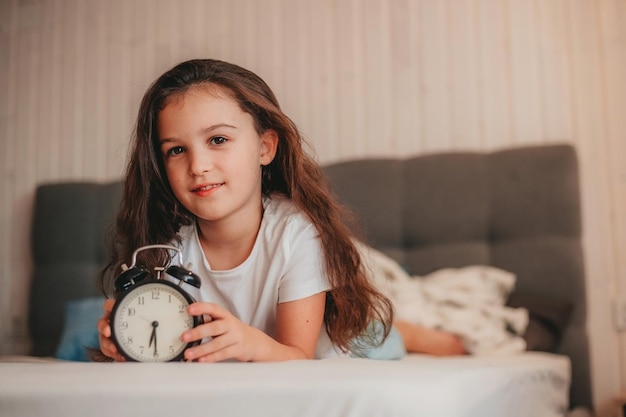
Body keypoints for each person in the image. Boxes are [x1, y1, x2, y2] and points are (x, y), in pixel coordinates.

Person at [96, 58, 464, 362]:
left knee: (377, 339)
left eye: (218, 140)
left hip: (313, 344)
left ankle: (412, 332)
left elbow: (298, 357)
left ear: (265, 148)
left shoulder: (297, 233)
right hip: (243, 351)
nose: (198, 165)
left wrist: (250, 342)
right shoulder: (168, 248)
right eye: (176, 150)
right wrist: (129, 344)